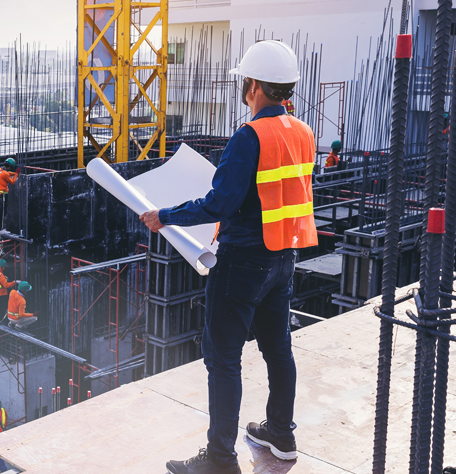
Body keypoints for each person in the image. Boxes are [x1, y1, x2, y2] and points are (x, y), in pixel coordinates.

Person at [140, 39, 316, 474]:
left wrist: (164, 216)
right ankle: (280, 434)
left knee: (222, 357)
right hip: (282, 258)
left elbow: (220, 204)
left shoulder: (249, 136)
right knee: (278, 348)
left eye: (245, 81)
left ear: (253, 85)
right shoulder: (303, 132)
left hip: (241, 262)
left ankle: (220, 459)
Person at [0, 158, 19, 230]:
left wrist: (14, 173)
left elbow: (7, 173)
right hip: (3, 195)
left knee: (1, 212)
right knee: (2, 213)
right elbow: (12, 182)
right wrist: (16, 174)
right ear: (10, 166)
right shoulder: (5, 174)